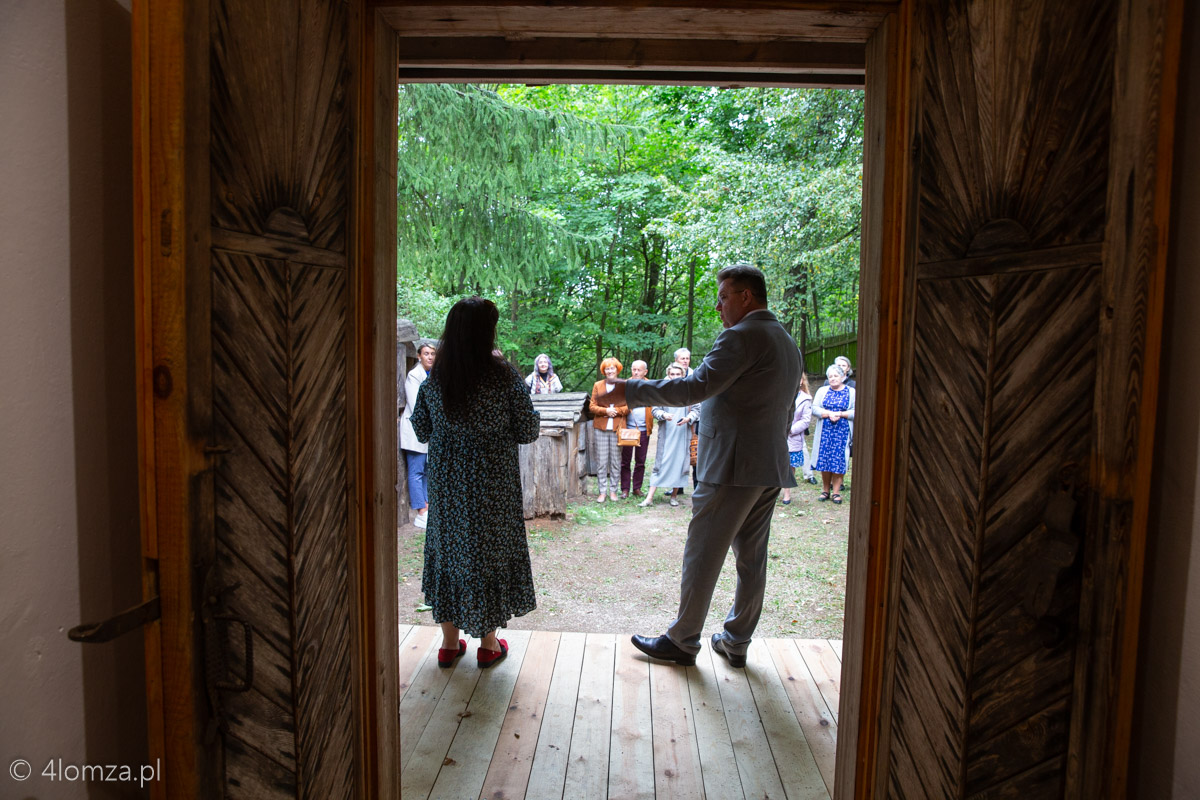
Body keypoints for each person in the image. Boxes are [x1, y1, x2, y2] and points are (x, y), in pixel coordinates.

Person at [610, 263, 803, 669]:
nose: (718, 306)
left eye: (723, 296)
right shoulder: (787, 341)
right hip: (768, 464)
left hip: (732, 467)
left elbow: (694, 387)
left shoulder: (741, 337)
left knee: (702, 552)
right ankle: (736, 640)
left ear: (746, 296)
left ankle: (682, 641)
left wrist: (630, 389)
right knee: (752, 560)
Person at [410, 297, 541, 669]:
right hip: (492, 490)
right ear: (487, 332)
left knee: (449, 553)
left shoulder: (437, 381)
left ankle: (449, 644)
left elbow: (420, 430)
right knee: (488, 555)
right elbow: (528, 430)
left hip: (449, 488)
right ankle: (488, 644)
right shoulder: (504, 378)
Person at [637, 363, 698, 508]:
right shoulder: (662, 391)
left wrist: (688, 418)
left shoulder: (689, 392)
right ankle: (649, 497)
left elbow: (697, 409)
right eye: (673, 374)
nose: (675, 377)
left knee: (679, 463)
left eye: (678, 374)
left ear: (683, 375)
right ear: (668, 375)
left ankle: (674, 496)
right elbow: (654, 409)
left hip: (682, 433)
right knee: (660, 463)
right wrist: (663, 414)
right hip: (667, 433)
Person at [400, 340, 437, 528]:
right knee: (416, 471)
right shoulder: (414, 375)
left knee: (427, 471)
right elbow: (417, 405)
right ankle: (420, 510)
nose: (430, 357)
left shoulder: (434, 375)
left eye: (432, 354)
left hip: (430, 430)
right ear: (419, 356)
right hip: (415, 430)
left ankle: (427, 506)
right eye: (426, 354)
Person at [811, 363, 855, 505]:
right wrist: (828, 414)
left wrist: (841, 414)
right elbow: (815, 408)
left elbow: (856, 411)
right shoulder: (822, 391)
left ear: (843, 377)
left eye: (836, 376)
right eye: (830, 376)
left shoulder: (851, 392)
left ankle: (836, 492)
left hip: (842, 432)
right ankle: (825, 490)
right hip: (825, 432)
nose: (833, 379)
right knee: (825, 460)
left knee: (839, 461)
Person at [589, 358, 628, 503]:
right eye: (607, 369)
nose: (610, 371)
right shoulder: (598, 385)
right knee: (601, 461)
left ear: (617, 369)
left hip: (618, 428)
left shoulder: (625, 385)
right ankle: (602, 492)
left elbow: (629, 406)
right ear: (603, 371)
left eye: (612, 368)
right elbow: (592, 406)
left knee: (616, 461)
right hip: (601, 427)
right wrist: (606, 410)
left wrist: (616, 411)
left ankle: (613, 491)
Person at [620, 360, 653, 499]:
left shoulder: (651, 385)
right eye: (634, 369)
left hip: (644, 429)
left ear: (645, 372)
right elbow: (620, 405)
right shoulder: (624, 385)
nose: (636, 372)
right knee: (625, 461)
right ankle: (625, 489)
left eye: (639, 370)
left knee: (641, 461)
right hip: (628, 429)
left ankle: (637, 488)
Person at [781, 372, 813, 505]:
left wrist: (790, 429)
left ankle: (787, 493)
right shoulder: (780, 394)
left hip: (792, 438)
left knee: (790, 466)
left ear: (801, 381)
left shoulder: (806, 399)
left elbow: (805, 421)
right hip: (777, 436)